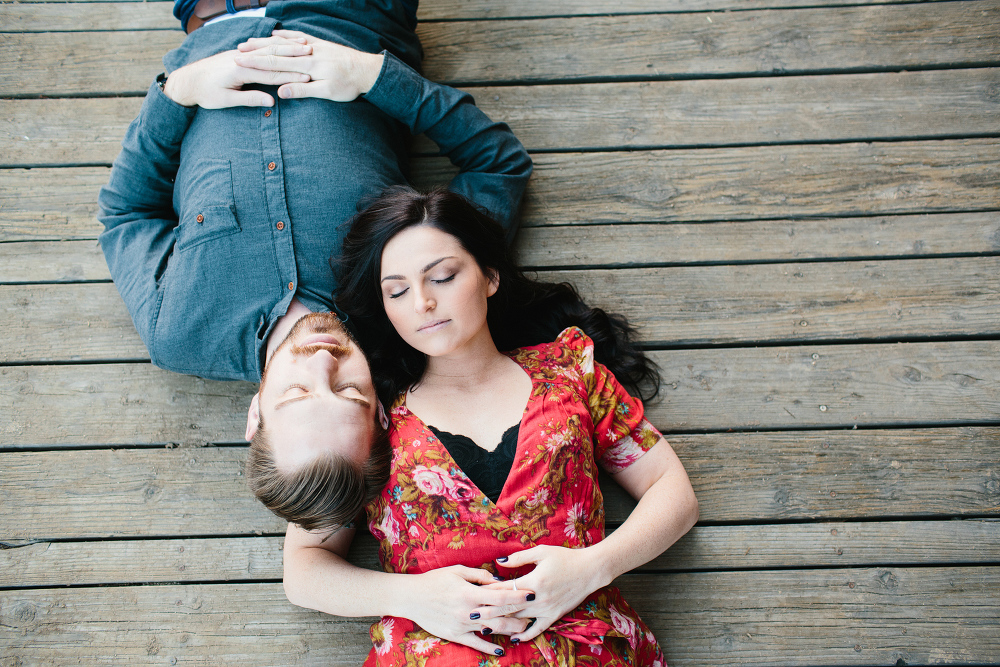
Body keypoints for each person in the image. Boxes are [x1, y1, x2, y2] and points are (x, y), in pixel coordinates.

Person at [96, 0, 532, 526]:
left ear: (255, 415)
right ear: (379, 410)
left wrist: (178, 93)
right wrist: (373, 75)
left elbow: (126, 213)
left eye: (297, 393)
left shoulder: (180, 333)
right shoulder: (415, 298)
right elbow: (497, 165)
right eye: (349, 391)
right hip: (349, 13)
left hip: (210, 24)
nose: (322, 362)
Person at [272, 186, 699, 663]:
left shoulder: (570, 374)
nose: (422, 304)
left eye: (443, 277)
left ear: (489, 275)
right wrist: (412, 597)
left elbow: (672, 492)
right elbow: (304, 570)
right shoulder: (372, 418)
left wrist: (591, 568)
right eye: (397, 291)